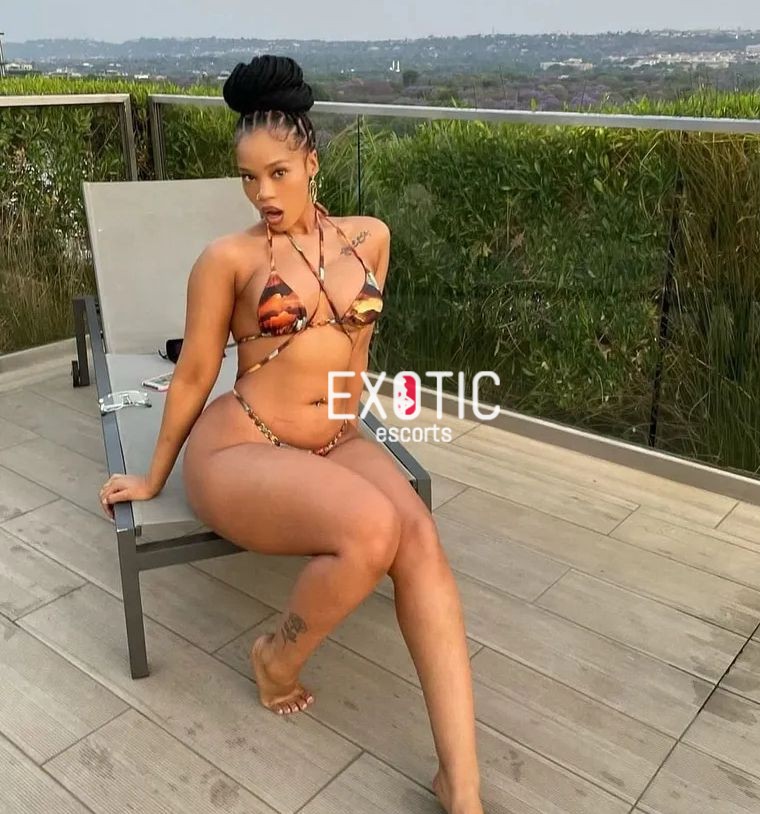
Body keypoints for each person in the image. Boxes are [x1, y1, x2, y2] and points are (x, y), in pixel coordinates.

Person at [97, 55, 484, 814]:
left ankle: (461, 786)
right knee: (372, 528)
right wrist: (151, 477)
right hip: (243, 445)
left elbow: (359, 352)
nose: (264, 194)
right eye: (249, 179)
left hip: (335, 437)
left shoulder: (370, 238)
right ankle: (275, 657)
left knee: (420, 537)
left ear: (312, 161)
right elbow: (194, 374)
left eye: (277, 173)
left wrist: (351, 425)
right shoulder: (228, 260)